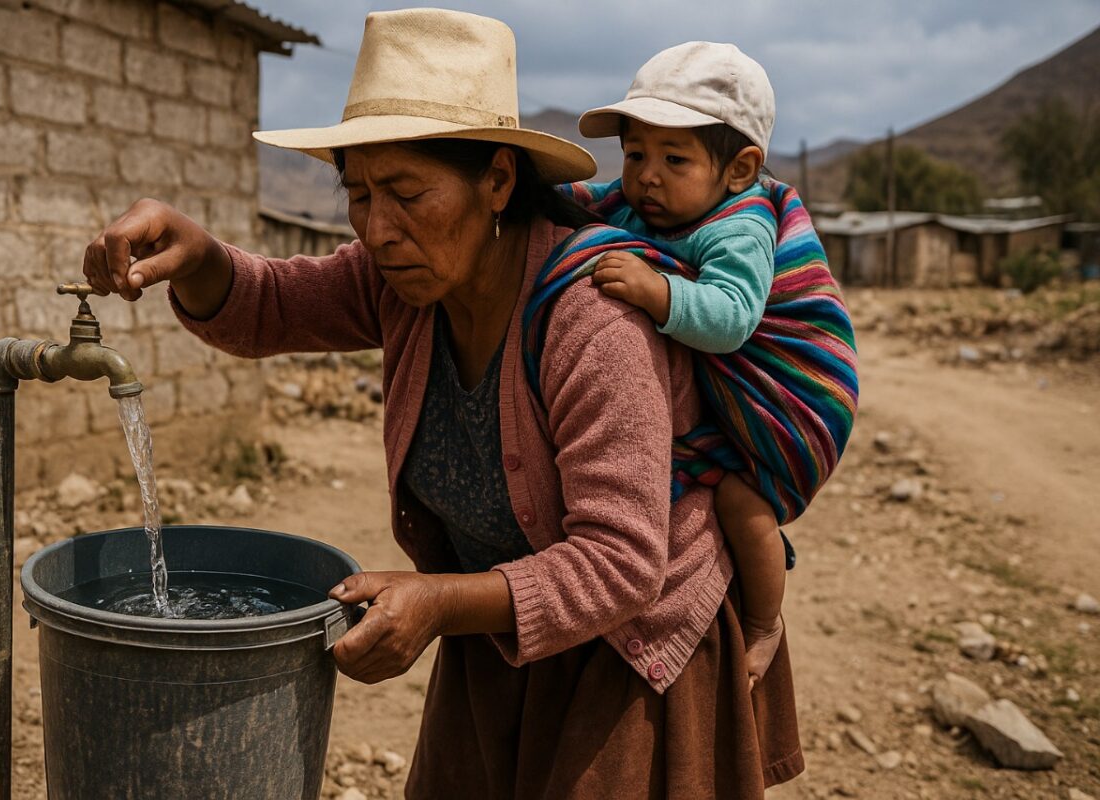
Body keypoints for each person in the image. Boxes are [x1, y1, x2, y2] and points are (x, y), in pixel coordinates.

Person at [83, 10, 803, 798]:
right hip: (501, 639)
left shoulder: (592, 316)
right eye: (358, 195)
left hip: (630, 662)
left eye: (405, 193)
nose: (378, 229)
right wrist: (197, 253)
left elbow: (623, 563)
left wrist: (439, 602)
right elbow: (273, 303)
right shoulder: (405, 283)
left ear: (497, 181)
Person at [556, 43, 858, 688]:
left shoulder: (740, 227)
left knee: (741, 501)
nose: (646, 178)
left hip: (798, 396)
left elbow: (728, 320)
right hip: (751, 386)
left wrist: (657, 291)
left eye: (674, 159)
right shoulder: (646, 204)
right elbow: (583, 199)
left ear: (740, 169)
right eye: (636, 154)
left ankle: (763, 622)